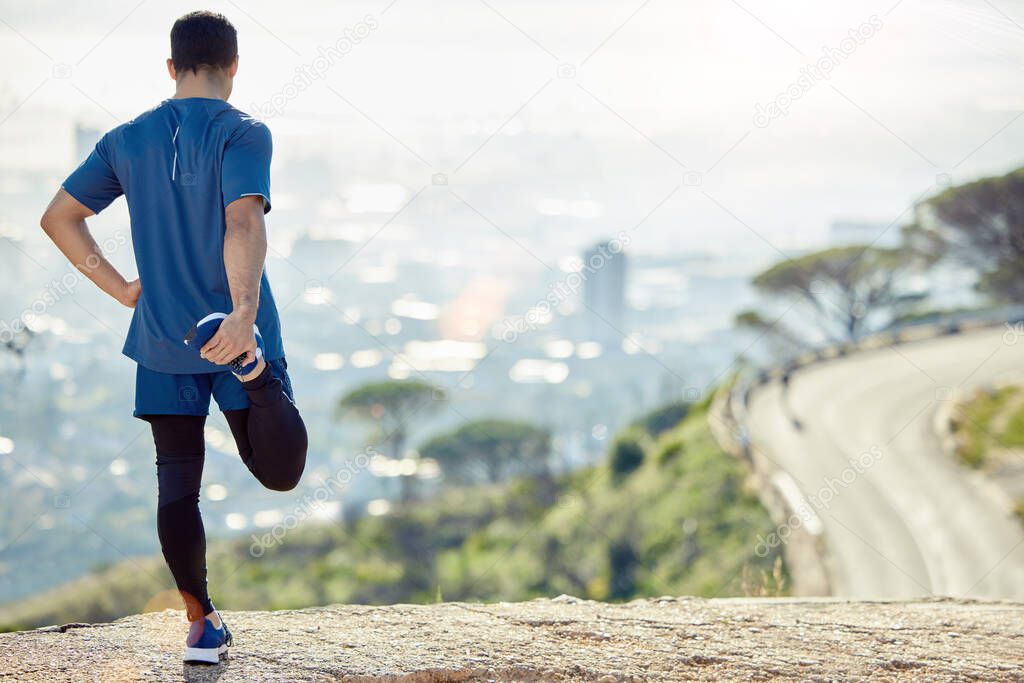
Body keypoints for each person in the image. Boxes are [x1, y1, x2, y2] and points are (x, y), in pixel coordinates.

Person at [38, 10, 307, 665]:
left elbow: (59, 218)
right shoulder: (244, 133)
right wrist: (243, 315)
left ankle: (200, 623)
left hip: (162, 336)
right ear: (234, 67)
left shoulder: (127, 138)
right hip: (238, 334)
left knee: (175, 484)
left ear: (171, 68)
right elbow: (243, 220)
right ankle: (255, 373)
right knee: (279, 471)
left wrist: (123, 288)